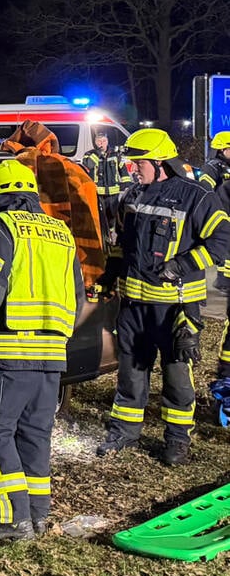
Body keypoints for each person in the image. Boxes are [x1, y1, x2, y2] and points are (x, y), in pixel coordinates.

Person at [0, 160, 83, 541]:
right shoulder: (61, 232)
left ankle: (11, 519)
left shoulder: (1, 227)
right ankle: (38, 516)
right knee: (35, 434)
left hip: (9, 351)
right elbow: (76, 293)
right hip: (53, 354)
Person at [96, 129, 230, 465]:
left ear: (159, 162)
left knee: (176, 376)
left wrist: (183, 264)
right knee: (130, 374)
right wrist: (110, 275)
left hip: (175, 308)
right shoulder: (132, 195)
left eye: (138, 163)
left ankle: (176, 442)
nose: (132, 169)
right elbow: (121, 244)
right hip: (134, 307)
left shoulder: (195, 196)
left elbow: (222, 239)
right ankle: (124, 433)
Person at [81, 131, 131, 249]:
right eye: (99, 141)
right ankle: (102, 238)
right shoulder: (90, 154)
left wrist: (125, 184)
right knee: (99, 217)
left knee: (113, 217)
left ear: (107, 141)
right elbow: (87, 165)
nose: (101, 143)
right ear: (95, 142)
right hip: (97, 193)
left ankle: (112, 239)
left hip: (113, 193)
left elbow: (123, 171)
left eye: (103, 141)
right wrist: (97, 153)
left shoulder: (115, 154)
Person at [200, 132, 230, 297]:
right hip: (222, 216)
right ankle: (224, 282)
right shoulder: (212, 167)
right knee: (227, 251)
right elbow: (206, 191)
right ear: (222, 149)